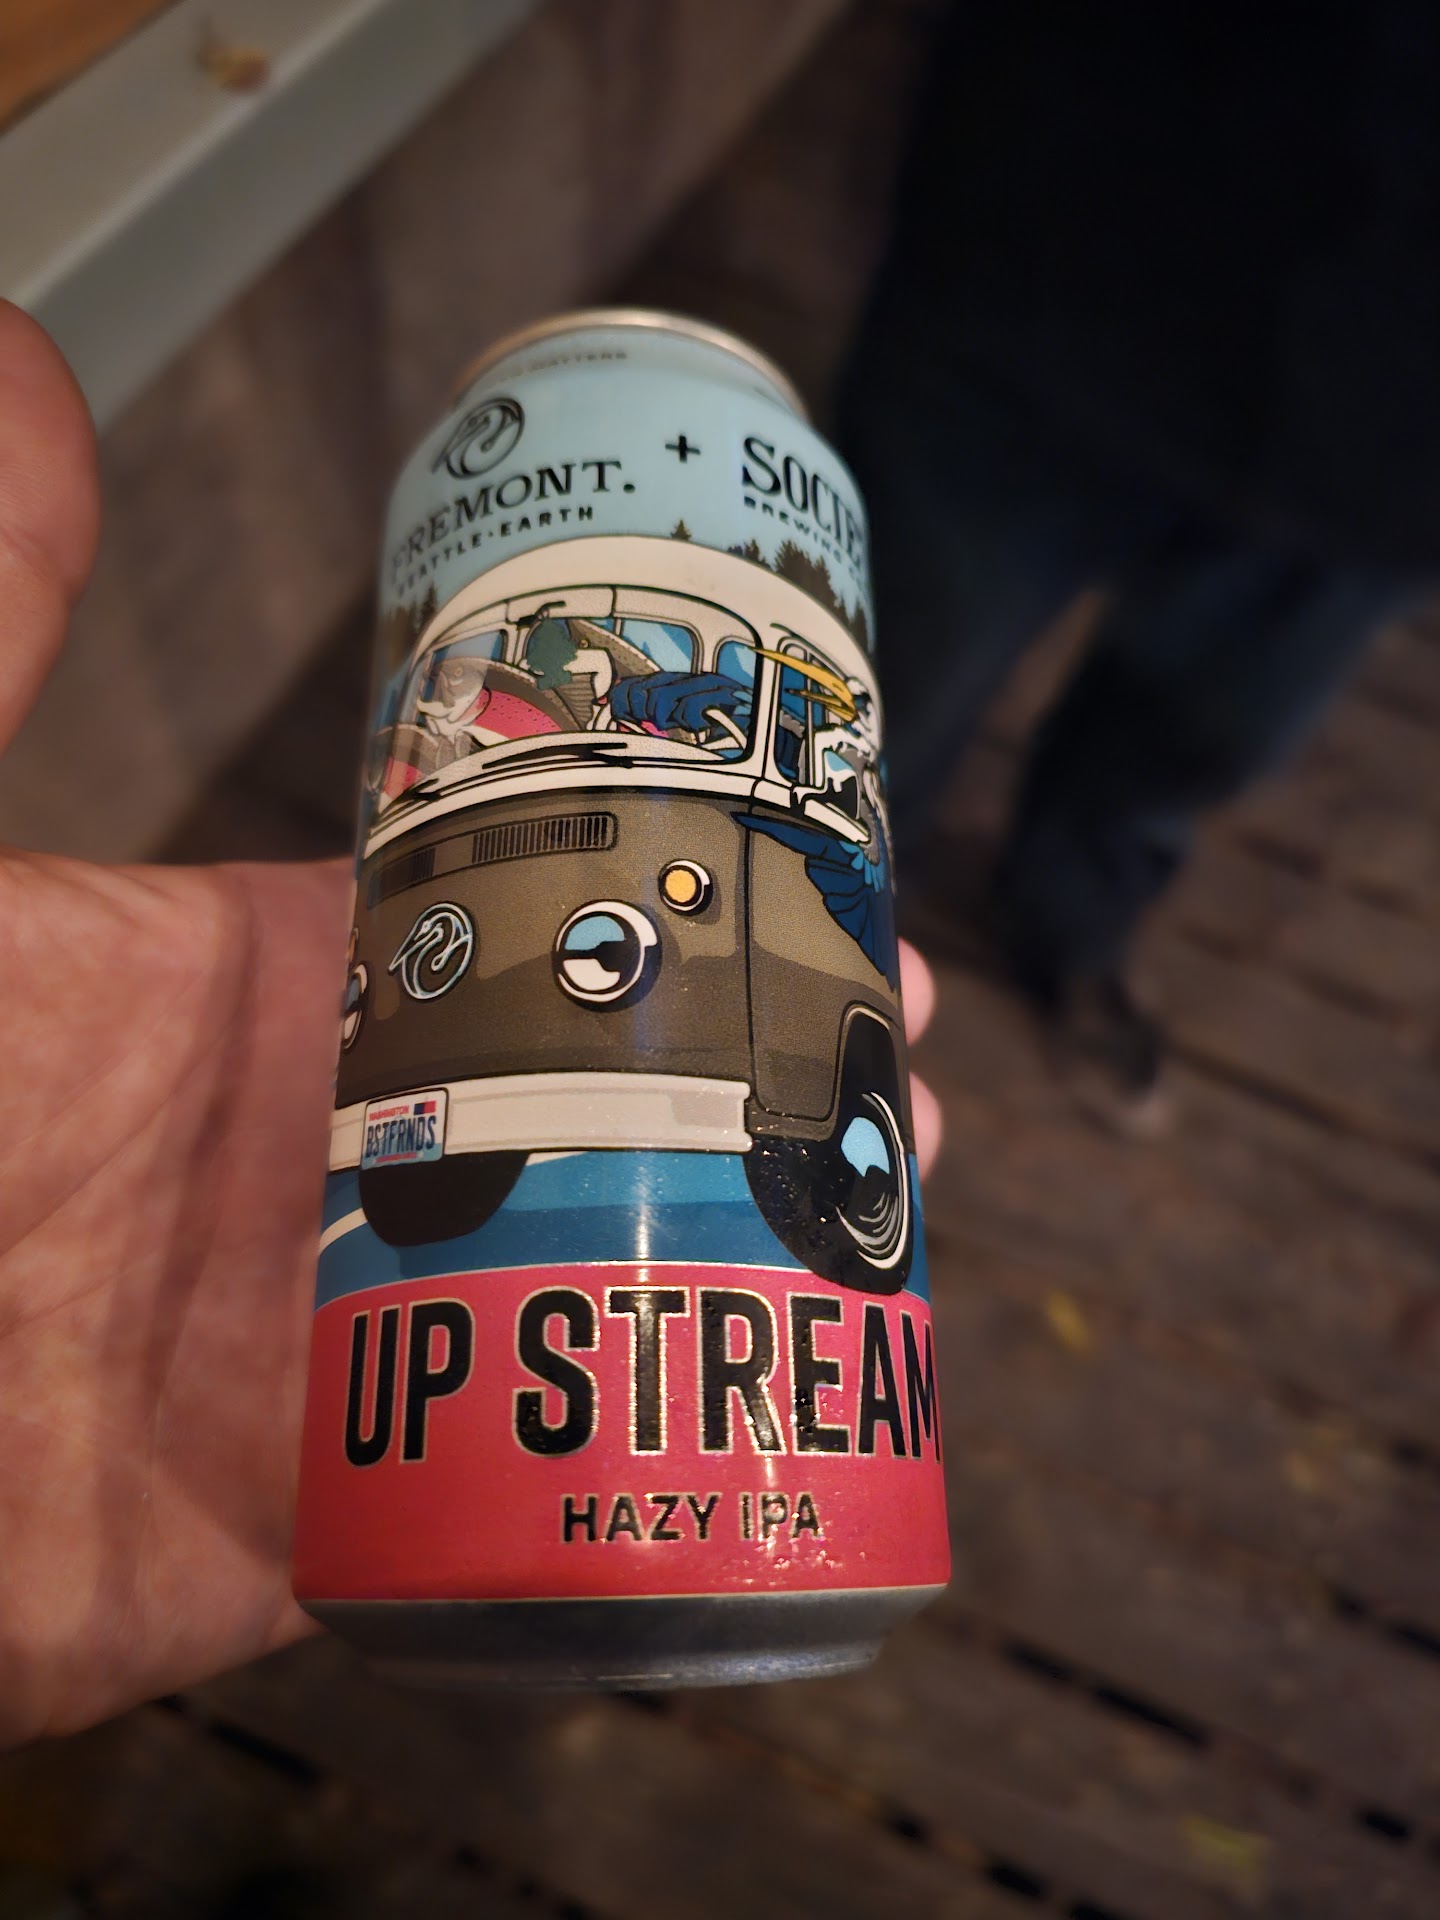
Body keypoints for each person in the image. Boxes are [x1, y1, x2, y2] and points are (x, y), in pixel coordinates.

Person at [0, 302, 940, 1746]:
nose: (594, 694)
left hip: (787, 936)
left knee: (839, 1118)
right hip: (462, 969)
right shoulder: (531, 707)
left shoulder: (731, 715)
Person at [839, 0, 1440, 1126]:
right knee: (863, 695)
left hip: (1393, 442)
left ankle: (1068, 922)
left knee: (1204, 733)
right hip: (1068, 230)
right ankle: (819, 938)